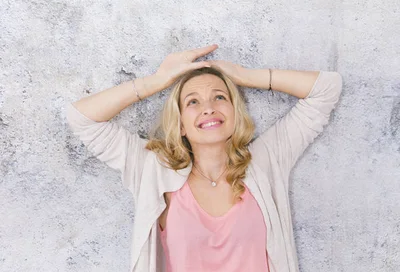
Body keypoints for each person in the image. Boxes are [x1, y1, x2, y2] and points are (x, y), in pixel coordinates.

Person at [65, 43, 343, 272]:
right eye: (193, 102)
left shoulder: (265, 160)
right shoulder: (153, 169)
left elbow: (326, 89)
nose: (208, 108)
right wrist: (157, 81)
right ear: (181, 125)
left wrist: (245, 76)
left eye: (220, 97)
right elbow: (82, 118)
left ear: (235, 113)